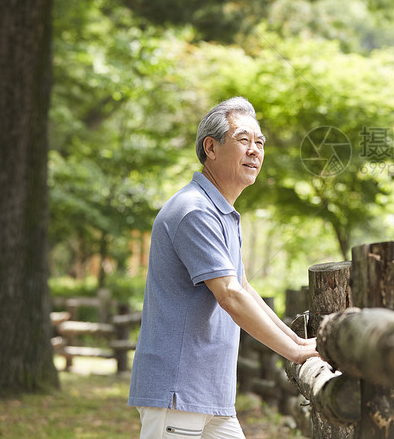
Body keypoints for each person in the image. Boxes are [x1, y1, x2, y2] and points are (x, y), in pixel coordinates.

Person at [128, 97, 319, 438]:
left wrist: (299, 344)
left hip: (211, 396)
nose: (255, 150)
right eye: (244, 140)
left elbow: (243, 287)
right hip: (178, 391)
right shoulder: (195, 210)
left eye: (259, 142)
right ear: (211, 148)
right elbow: (229, 295)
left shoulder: (222, 213)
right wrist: (294, 351)